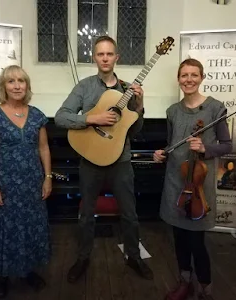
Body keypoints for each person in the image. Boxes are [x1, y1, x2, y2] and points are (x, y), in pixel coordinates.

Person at [54, 35, 153, 283]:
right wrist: (92, 119)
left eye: (110, 54)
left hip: (120, 160)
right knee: (87, 213)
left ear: (117, 57)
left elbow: (136, 129)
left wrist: (139, 106)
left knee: (129, 213)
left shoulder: (128, 89)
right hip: (90, 158)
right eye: (100, 54)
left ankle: (134, 257)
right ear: (94, 57)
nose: (105, 58)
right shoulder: (85, 87)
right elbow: (61, 117)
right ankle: (83, 257)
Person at [153, 58, 232, 300]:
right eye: (184, 75)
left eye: (194, 75)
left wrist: (205, 148)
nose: (189, 79)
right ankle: (184, 282)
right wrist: (161, 153)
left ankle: (205, 289)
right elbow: (172, 143)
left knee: (197, 241)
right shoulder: (172, 111)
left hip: (199, 183)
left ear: (202, 77)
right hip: (175, 181)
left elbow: (227, 145)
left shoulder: (215, 108)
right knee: (178, 238)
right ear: (178, 79)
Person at [0, 65, 52, 299]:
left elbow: (43, 147)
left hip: (32, 182)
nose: (17, 85)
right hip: (5, 183)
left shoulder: (37, 115)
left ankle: (27, 271)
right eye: (11, 81)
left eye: (21, 81)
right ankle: (3, 276)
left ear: (27, 86)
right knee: (5, 228)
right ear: (4, 87)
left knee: (30, 226)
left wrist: (47, 178)